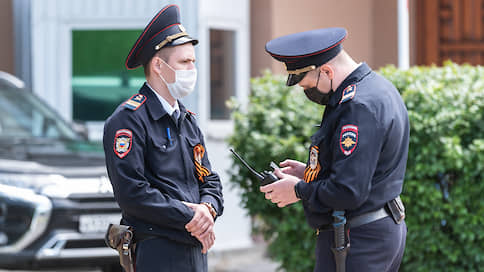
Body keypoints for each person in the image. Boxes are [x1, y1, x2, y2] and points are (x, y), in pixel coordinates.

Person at [260, 27, 409, 272]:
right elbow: (361, 169)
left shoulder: (357, 107)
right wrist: (310, 173)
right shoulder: (376, 87)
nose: (308, 93)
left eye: (308, 85)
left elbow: (348, 190)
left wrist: (298, 191)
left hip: (358, 239)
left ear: (327, 71)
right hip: (376, 231)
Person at [103, 4, 223, 272]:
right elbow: (132, 193)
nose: (192, 69)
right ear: (158, 65)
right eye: (184, 62)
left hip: (194, 248)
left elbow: (210, 180)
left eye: (193, 61)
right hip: (156, 251)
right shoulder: (128, 120)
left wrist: (207, 209)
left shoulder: (187, 119)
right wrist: (192, 216)